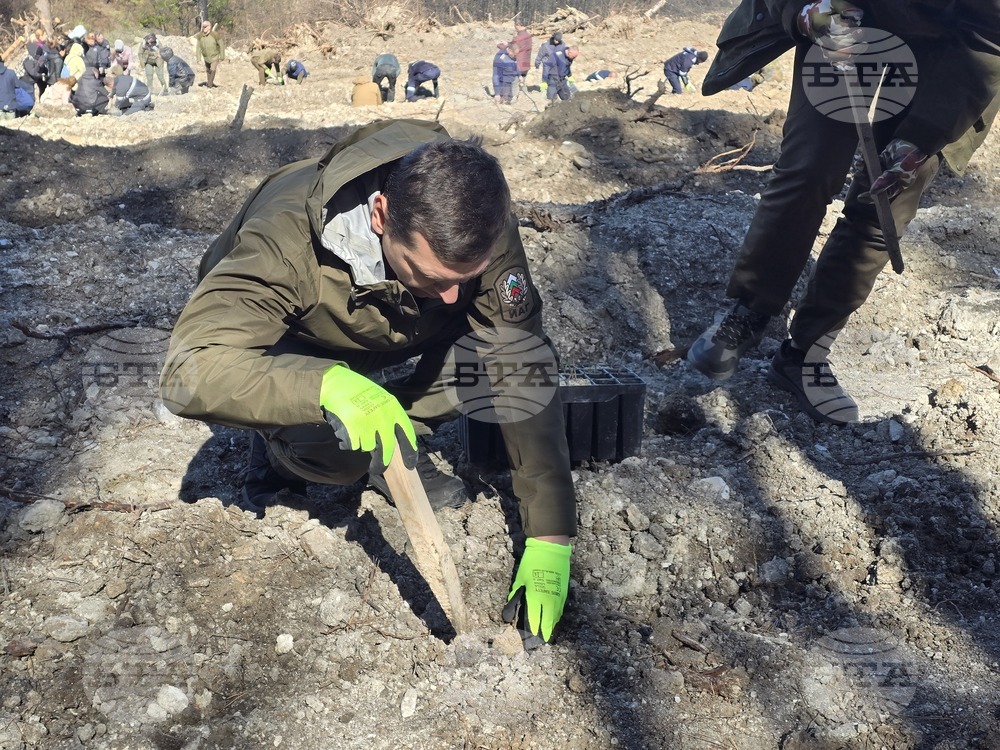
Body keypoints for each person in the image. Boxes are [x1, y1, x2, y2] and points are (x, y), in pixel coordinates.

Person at [159, 119, 577, 644]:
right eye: (429, 275)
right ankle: (277, 440)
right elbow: (187, 371)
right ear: (381, 215)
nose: (453, 299)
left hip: (392, 322)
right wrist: (321, 388)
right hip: (290, 337)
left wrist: (551, 536)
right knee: (340, 457)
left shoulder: (474, 217)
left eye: (463, 280)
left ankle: (394, 437)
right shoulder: (284, 240)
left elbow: (517, 359)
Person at [687, 0, 1000, 425]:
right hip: (841, 17)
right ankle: (751, 309)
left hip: (949, 54)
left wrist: (923, 136)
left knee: (888, 198)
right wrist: (802, 13)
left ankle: (807, 351)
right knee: (809, 168)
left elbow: (989, 38)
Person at [195, 20, 224, 88]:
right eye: (203, 27)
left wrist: (222, 56)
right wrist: (198, 58)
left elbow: (221, 45)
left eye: (205, 26)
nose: (204, 28)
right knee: (208, 70)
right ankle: (209, 83)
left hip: (215, 56)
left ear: (210, 27)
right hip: (206, 57)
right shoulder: (200, 36)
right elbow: (198, 47)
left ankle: (209, 85)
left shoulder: (215, 35)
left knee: (213, 69)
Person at [509, 21, 532, 88]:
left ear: (518, 25)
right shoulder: (528, 35)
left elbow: (512, 46)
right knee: (523, 79)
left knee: (515, 81)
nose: (515, 28)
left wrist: (504, 44)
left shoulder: (519, 37)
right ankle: (522, 90)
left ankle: (514, 96)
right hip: (527, 62)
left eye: (515, 26)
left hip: (519, 62)